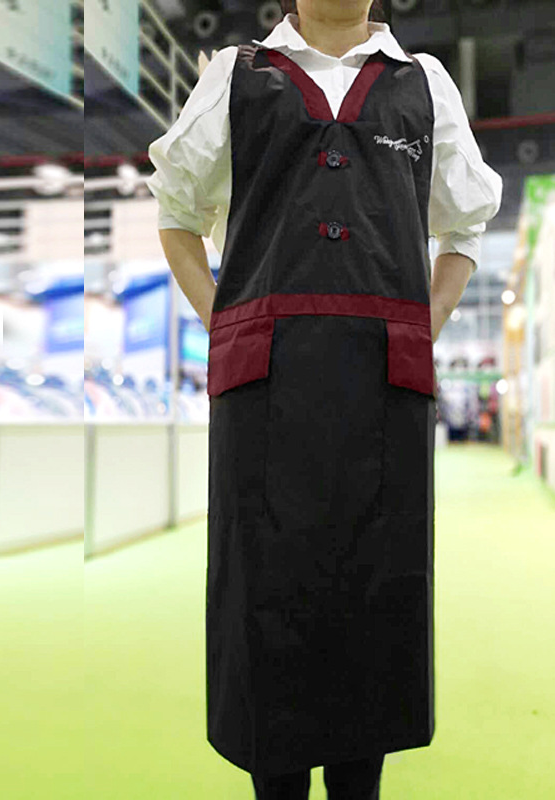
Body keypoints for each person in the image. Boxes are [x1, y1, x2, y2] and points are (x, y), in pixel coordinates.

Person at [146, 1, 502, 797]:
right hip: (265, 389)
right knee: (264, 590)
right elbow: (175, 212)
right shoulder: (237, 75)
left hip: (384, 390)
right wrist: (224, 323)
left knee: (375, 591)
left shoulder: (424, 84)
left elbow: (466, 226)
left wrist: (428, 322)